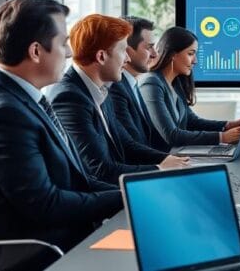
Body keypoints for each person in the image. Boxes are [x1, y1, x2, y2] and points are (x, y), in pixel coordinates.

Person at [0, 0, 122, 253]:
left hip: (61, 234)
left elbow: (79, 180)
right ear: (35, 51)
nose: (69, 53)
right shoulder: (3, 115)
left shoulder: (24, 98)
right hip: (38, 249)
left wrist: (134, 194)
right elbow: (46, 206)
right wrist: (129, 198)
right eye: (63, 43)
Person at [48, 14, 188, 184]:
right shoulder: (70, 98)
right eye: (123, 51)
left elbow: (127, 144)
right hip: (101, 197)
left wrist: (172, 160)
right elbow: (100, 170)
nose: (127, 58)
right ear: (101, 56)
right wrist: (160, 169)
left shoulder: (101, 88)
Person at [138, 27, 240, 147]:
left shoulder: (175, 83)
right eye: (190, 54)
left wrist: (229, 125)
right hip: (164, 159)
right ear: (173, 55)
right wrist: (222, 137)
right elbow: (171, 135)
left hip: (178, 154)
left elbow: (191, 121)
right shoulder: (151, 84)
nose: (195, 61)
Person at [107, 16, 170, 152]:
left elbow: (150, 138)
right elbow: (132, 146)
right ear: (127, 50)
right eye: (149, 48)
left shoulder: (132, 84)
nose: (155, 54)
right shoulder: (115, 89)